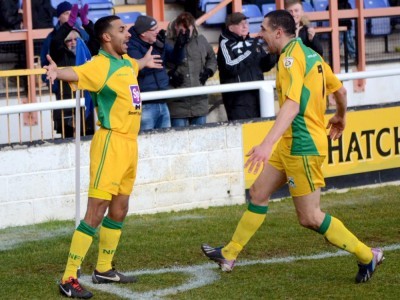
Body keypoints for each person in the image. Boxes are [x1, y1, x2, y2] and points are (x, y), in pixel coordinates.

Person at [201, 10, 384, 284]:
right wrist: (341, 116)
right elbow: (341, 92)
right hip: (292, 144)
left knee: (309, 217)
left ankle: (367, 255)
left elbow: (292, 104)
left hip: (303, 145)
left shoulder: (288, 59)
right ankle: (229, 253)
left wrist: (265, 144)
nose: (259, 34)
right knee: (259, 192)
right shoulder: (311, 56)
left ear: (278, 32)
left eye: (263, 29)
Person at [44, 15, 162, 298]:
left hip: (130, 145)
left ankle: (104, 268)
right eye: (122, 30)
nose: (128, 34)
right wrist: (57, 72)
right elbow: (78, 72)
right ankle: (69, 277)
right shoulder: (100, 65)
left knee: (120, 208)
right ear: (107, 37)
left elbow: (133, 65)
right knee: (96, 211)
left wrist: (144, 63)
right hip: (110, 143)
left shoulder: (125, 62)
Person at [127, 15, 187, 131]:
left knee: (166, 140)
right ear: (143, 33)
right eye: (153, 29)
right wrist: (144, 62)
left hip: (162, 100)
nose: (157, 32)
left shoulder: (157, 42)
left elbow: (176, 59)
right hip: (144, 104)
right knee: (146, 141)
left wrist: (180, 46)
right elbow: (136, 70)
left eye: (157, 28)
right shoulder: (130, 47)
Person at [49, 3, 97, 138]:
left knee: (89, 141)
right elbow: (56, 41)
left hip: (86, 104)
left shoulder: (87, 53)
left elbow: (96, 40)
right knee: (68, 144)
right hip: (67, 105)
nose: (73, 42)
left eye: (76, 39)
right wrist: (69, 24)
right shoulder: (60, 54)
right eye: (69, 40)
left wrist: (86, 23)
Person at [218, 12, 276, 121]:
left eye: (246, 23)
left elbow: (264, 67)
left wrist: (272, 53)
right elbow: (230, 67)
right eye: (240, 24)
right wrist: (250, 52)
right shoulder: (225, 44)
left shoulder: (253, 42)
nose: (245, 26)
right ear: (231, 28)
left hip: (258, 95)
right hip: (238, 100)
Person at [165, 12, 217, 127]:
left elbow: (212, 59)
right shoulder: (167, 43)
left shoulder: (201, 40)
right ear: (176, 26)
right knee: (180, 139)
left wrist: (208, 71)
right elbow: (160, 65)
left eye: (187, 29)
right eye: (182, 29)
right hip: (177, 103)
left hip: (199, 101)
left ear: (193, 27)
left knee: (200, 138)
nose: (185, 32)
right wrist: (169, 75)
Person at [41, 1, 90, 73]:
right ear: (58, 17)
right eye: (66, 13)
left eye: (72, 13)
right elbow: (44, 60)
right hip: (60, 79)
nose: (70, 16)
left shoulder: (83, 33)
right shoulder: (51, 37)